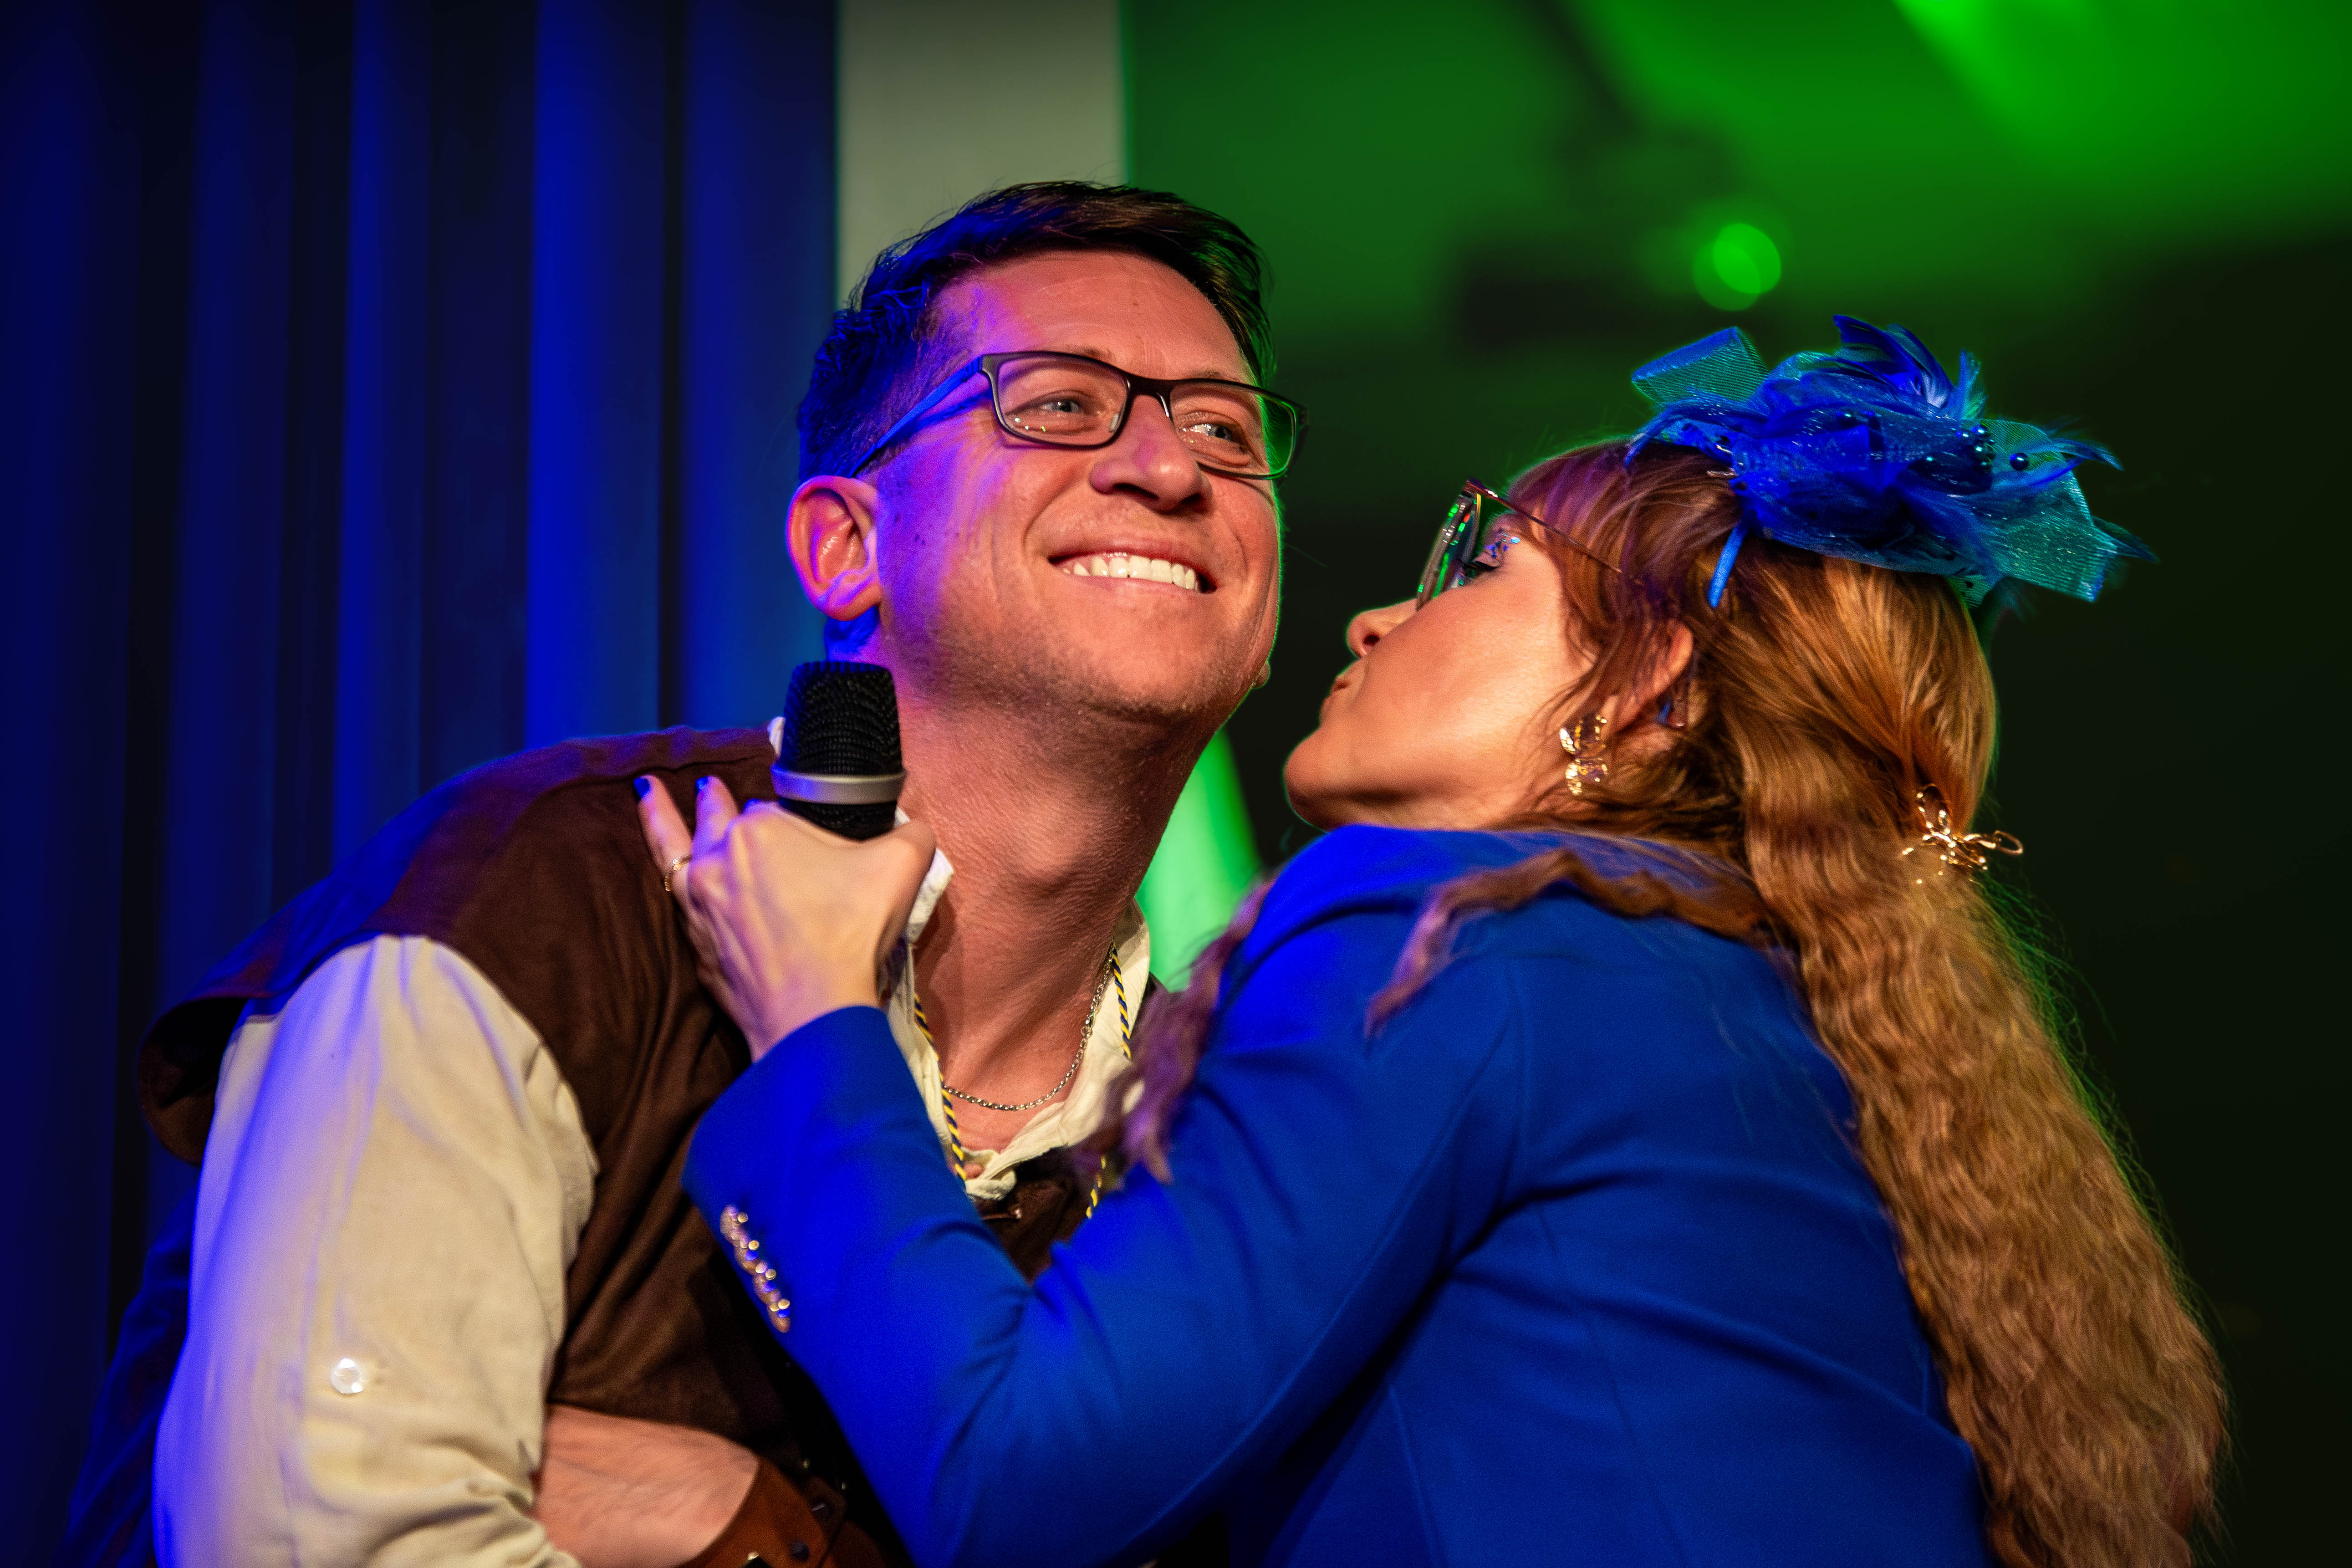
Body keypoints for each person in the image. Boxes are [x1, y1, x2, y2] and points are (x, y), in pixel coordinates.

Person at [649, 320, 2225, 1568]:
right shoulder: (1784, 1002)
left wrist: (818, 1016)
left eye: (1478, 565)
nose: (1374, 620)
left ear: (1649, 685)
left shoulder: (1458, 934)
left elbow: (1012, 1478)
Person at [60, 181, 1295, 1568]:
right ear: (846, 545)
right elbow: (312, 1538)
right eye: (1061, 405)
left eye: (1225, 431)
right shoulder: (537, 895)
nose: (1172, 470)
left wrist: (743, 1531)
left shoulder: (1222, 1128)